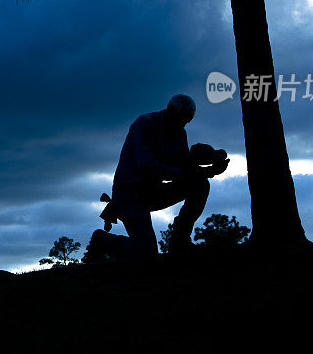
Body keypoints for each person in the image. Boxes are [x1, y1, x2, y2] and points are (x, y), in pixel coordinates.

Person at [93, 94, 229, 257]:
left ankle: (180, 241)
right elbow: (150, 168)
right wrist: (197, 171)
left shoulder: (179, 133)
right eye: (181, 121)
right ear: (170, 113)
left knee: (200, 183)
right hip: (129, 196)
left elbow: (184, 167)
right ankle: (103, 239)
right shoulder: (144, 125)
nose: (182, 125)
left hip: (152, 191)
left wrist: (209, 165)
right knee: (147, 252)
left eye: (186, 122)